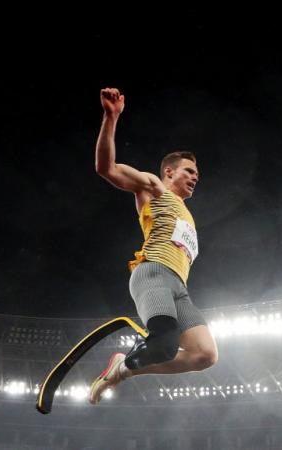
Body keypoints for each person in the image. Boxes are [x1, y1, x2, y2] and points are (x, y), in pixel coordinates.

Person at [88, 87, 218, 404]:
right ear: (169, 172)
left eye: (197, 173)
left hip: (179, 287)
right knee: (163, 345)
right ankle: (127, 364)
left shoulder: (187, 215)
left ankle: (124, 369)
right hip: (154, 274)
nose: (195, 177)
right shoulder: (154, 188)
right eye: (190, 171)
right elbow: (107, 168)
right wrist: (111, 117)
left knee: (204, 355)